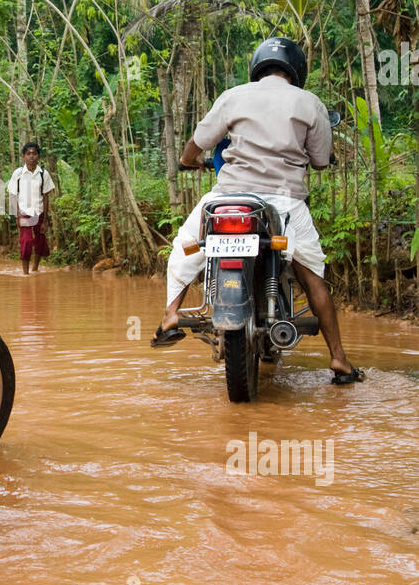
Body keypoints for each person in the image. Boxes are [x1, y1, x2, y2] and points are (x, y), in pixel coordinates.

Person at [152, 36, 364, 384]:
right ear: (296, 70)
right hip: (285, 202)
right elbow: (322, 161)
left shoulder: (234, 96)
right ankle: (339, 359)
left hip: (228, 199)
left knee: (185, 247)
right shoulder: (310, 102)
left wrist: (189, 160)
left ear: (257, 67)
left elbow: (198, 141)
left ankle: (171, 314)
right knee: (312, 273)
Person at [8, 142, 55, 275]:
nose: (31, 156)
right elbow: (12, 195)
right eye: (28, 153)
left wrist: (45, 219)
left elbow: (46, 196)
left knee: (40, 242)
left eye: (34, 153)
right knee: (26, 241)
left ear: (38, 156)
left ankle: (35, 268)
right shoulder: (18, 174)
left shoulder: (43, 174)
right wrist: (17, 214)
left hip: (39, 212)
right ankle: (25, 273)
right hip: (24, 213)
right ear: (24, 156)